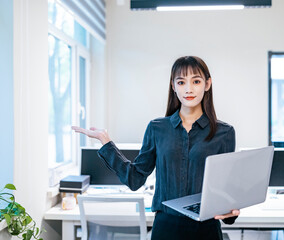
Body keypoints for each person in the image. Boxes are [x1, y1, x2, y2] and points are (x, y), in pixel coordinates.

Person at [72, 56, 240, 240]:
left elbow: (225, 194)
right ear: (173, 86)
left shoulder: (224, 132)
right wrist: (106, 142)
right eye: (181, 82)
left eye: (196, 81)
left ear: (207, 84)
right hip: (166, 229)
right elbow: (135, 179)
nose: (189, 89)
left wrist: (231, 211)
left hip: (206, 230)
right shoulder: (157, 128)